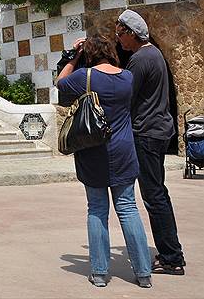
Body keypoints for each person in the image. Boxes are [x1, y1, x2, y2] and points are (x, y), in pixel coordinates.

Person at [57, 34, 152, 288]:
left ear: (89, 53)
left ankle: (99, 273)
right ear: (111, 50)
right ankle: (143, 272)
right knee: (128, 208)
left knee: (97, 209)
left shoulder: (84, 77)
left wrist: (73, 55)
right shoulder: (127, 78)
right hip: (123, 150)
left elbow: (60, 83)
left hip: (93, 152)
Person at [116, 9, 186, 275]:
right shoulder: (154, 54)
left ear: (132, 34)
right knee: (158, 194)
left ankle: (171, 257)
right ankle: (171, 252)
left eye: (121, 34)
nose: (120, 39)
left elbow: (126, 96)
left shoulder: (140, 59)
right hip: (158, 131)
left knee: (154, 196)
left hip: (145, 133)